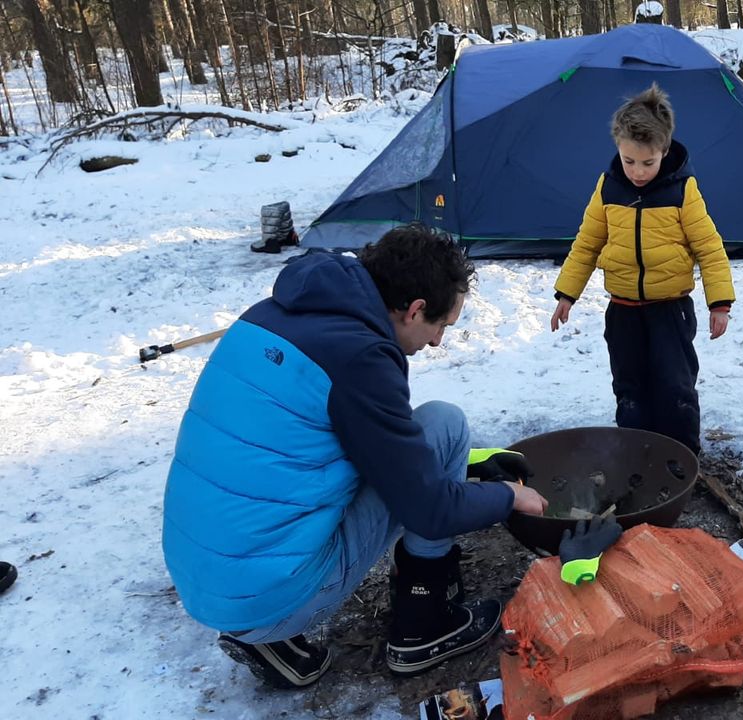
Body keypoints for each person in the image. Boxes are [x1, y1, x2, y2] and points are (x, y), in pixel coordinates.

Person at [162, 225, 548, 689]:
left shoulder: (269, 315)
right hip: (270, 593)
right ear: (415, 309)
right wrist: (507, 497)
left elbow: (343, 444)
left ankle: (263, 633)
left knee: (413, 450)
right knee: (445, 422)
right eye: (442, 325)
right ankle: (424, 624)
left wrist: (468, 468)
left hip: (208, 580)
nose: (438, 342)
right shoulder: (359, 358)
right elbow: (426, 505)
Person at [550, 83, 734, 455]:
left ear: (664, 152)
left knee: (674, 386)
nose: (637, 172)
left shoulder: (682, 190)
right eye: (628, 161)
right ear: (618, 148)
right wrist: (566, 294)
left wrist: (720, 302)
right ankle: (636, 453)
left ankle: (681, 456)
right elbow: (587, 243)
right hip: (623, 311)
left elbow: (709, 247)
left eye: (648, 163)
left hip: (670, 309)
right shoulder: (608, 188)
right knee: (629, 386)